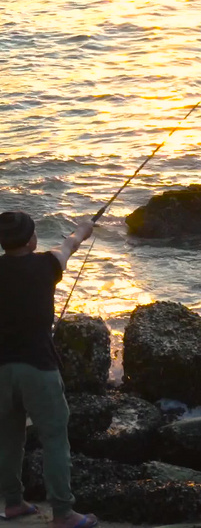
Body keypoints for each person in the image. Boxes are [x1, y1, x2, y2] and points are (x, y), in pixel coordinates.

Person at [0, 211, 98, 528]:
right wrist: (83, 229)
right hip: (38, 367)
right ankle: (63, 513)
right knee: (55, 437)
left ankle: (13, 503)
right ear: (31, 239)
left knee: (8, 437)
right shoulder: (46, 265)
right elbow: (69, 245)